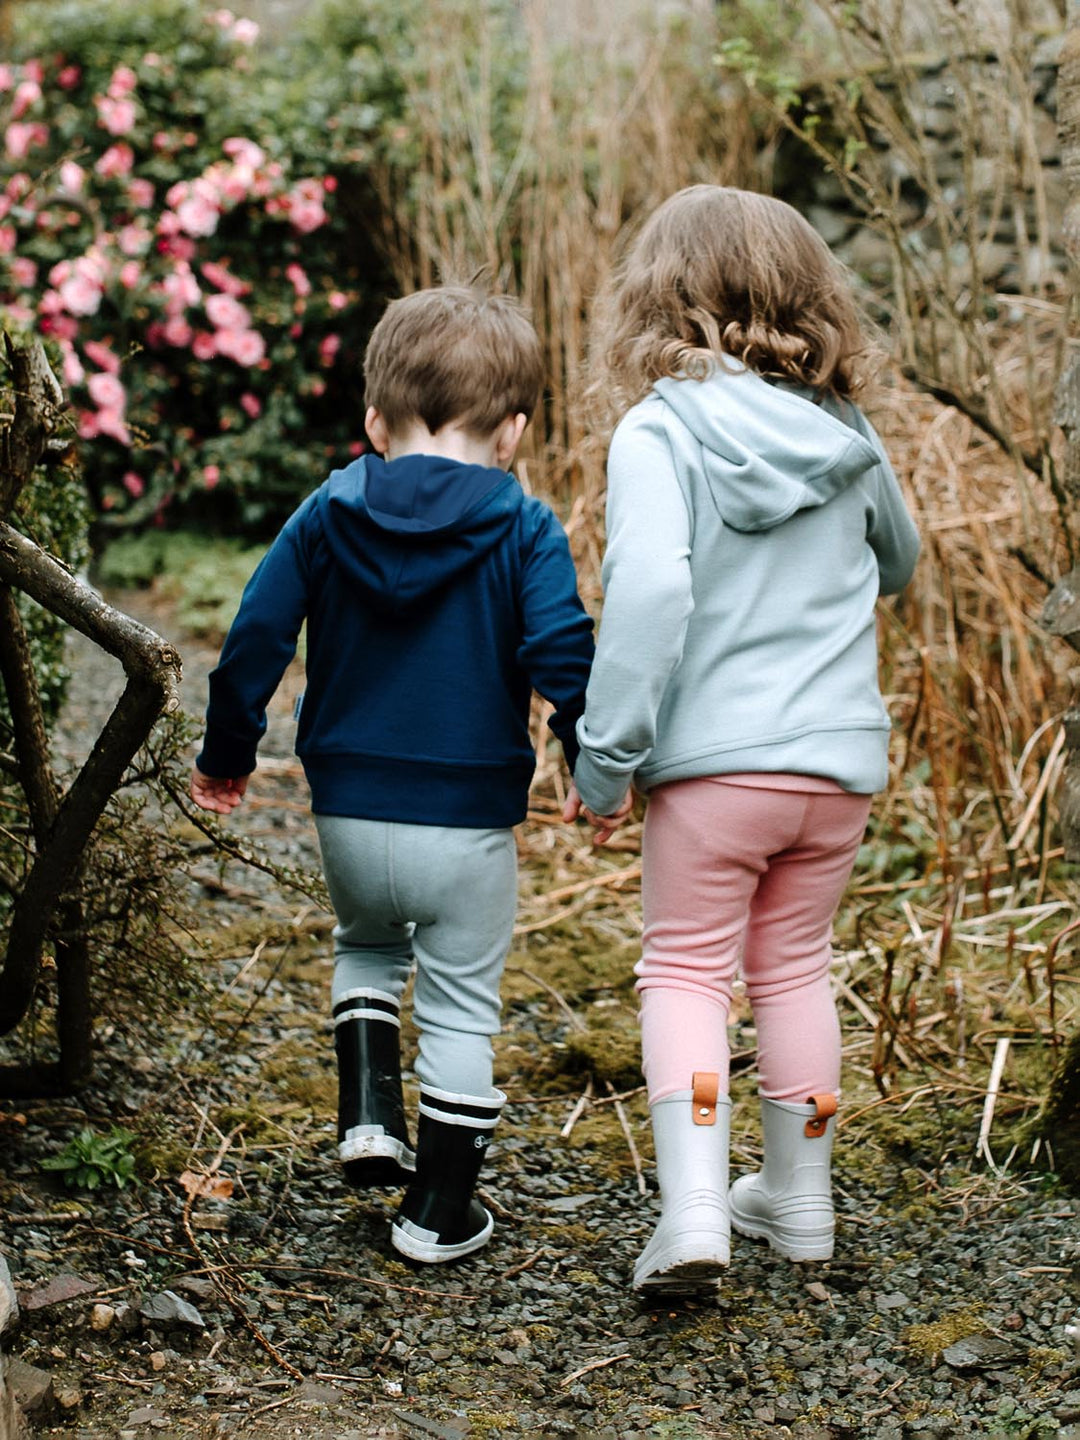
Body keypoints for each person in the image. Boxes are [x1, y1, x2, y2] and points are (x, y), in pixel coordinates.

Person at [191, 284, 594, 1264]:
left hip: (349, 807)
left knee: (366, 947)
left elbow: (255, 634)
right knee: (459, 1000)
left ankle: (370, 1115)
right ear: (515, 431)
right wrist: (589, 758)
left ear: (373, 420)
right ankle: (437, 1214)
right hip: (466, 819)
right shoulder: (526, 526)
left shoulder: (328, 511)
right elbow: (561, 651)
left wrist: (227, 755)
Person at [564, 185, 920, 1293]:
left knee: (684, 969)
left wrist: (605, 759)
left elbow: (652, 599)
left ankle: (697, 1215)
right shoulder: (844, 434)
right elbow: (900, 563)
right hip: (839, 767)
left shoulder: (659, 429)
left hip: (718, 769)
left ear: (659, 303)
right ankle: (801, 1204)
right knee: (796, 970)